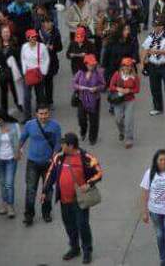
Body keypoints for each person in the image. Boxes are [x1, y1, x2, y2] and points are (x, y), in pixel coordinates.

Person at [43, 132, 103, 264]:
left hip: (79, 200)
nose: (61, 146)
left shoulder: (86, 157)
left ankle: (87, 251)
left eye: (63, 144)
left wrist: (89, 184)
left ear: (70, 146)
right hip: (64, 200)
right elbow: (50, 173)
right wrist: (44, 190)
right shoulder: (59, 157)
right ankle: (74, 248)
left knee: (82, 225)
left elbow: (99, 173)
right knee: (69, 225)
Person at [19, 102, 60, 226]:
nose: (43, 116)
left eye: (46, 113)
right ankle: (29, 216)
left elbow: (58, 143)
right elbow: (22, 139)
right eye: (41, 114)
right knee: (31, 190)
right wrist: (17, 150)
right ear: (36, 114)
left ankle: (46, 213)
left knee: (47, 190)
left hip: (48, 163)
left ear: (49, 113)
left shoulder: (55, 126)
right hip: (32, 163)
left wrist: (55, 154)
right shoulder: (29, 125)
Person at [140, 149, 165, 266]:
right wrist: (144, 212)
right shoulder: (150, 173)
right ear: (156, 161)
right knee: (159, 235)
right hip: (155, 210)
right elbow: (144, 193)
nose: (163, 162)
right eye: (161, 160)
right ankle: (163, 258)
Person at [141, 18, 165, 119]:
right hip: (153, 65)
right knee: (154, 88)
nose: (154, 28)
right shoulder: (151, 35)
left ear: (161, 27)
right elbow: (145, 48)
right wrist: (142, 62)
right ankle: (158, 108)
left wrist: (158, 52)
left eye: (156, 26)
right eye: (154, 26)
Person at [0, 108, 20, 218]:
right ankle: (5, 204)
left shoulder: (14, 125)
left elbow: (18, 139)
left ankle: (11, 206)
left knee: (9, 183)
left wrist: (19, 152)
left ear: (2, 119)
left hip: (11, 158)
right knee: (3, 183)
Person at [72, 54, 105, 145]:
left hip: (95, 99)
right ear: (85, 64)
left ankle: (92, 138)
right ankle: (83, 131)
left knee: (94, 120)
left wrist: (96, 88)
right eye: (90, 64)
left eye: (93, 64)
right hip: (82, 99)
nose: (92, 66)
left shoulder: (98, 73)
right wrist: (79, 87)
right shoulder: (80, 73)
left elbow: (103, 85)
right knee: (81, 118)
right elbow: (74, 83)